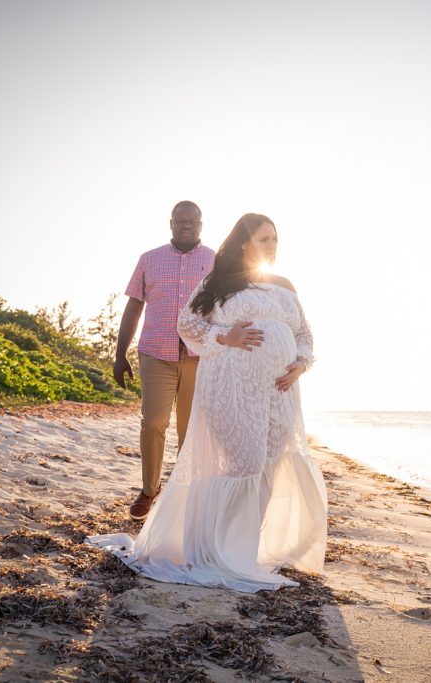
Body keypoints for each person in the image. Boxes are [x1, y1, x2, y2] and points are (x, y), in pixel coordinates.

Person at [89, 213, 326, 591]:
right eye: (264, 239)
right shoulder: (218, 283)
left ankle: (244, 550)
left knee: (269, 465)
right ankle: (217, 551)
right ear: (244, 242)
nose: (272, 246)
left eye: (275, 239)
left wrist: (301, 362)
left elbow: (304, 334)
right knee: (244, 462)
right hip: (230, 388)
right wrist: (225, 337)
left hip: (279, 393)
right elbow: (188, 325)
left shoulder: (284, 284)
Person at [113, 200, 215, 521]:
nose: (186, 226)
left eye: (192, 222)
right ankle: (149, 489)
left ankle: (183, 493)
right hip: (156, 352)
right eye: (180, 221)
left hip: (200, 356)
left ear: (201, 225)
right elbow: (133, 308)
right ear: (170, 223)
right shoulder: (149, 260)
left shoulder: (216, 262)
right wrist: (120, 354)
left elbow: (229, 309)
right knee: (154, 422)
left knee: (190, 429)